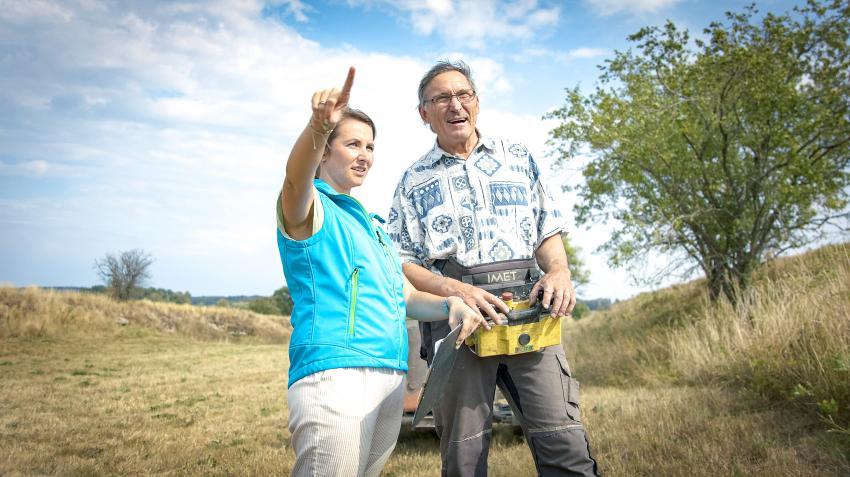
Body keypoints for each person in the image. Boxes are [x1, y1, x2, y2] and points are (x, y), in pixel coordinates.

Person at [387, 60, 600, 476]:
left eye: (462, 94)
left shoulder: (519, 158)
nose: (454, 105)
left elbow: (547, 233)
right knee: (464, 457)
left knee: (565, 441)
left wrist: (559, 271)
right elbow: (403, 262)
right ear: (424, 114)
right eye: (441, 98)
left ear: (477, 103)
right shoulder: (411, 181)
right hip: (460, 327)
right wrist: (454, 290)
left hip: (529, 318)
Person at [276, 66, 491, 477]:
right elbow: (295, 176)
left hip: (389, 377)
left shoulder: (374, 227)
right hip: (336, 374)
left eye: (370, 146)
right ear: (324, 151)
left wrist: (452, 304)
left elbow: (407, 296)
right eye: (352, 144)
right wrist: (317, 127)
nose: (365, 155)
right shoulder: (309, 209)